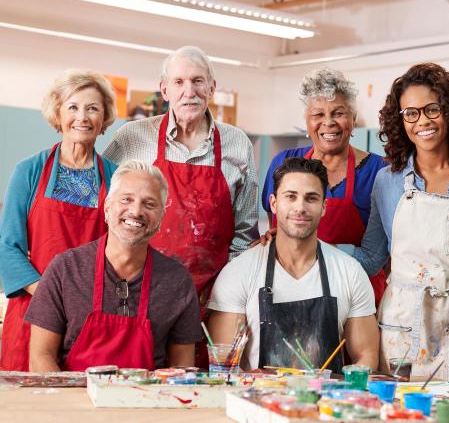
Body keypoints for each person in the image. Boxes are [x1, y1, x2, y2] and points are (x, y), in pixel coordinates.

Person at [347, 63, 449, 382]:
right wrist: (315, 248)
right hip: (400, 331)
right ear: (400, 121)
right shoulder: (387, 182)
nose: (423, 121)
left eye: (432, 109)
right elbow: (373, 257)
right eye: (411, 113)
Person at [103, 46, 259, 364]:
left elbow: (245, 231)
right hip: (142, 289)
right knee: (140, 371)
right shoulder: (132, 138)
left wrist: (225, 290)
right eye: (179, 82)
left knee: (205, 378)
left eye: (198, 81)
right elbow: (106, 206)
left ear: (212, 87)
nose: (190, 91)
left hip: (214, 296)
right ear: (164, 90)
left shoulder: (237, 144)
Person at [25, 160, 202, 371]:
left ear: (161, 217)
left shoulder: (178, 281)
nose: (136, 211)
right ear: (107, 207)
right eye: (126, 199)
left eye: (149, 204)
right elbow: (40, 357)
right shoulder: (65, 269)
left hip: (147, 392)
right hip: (75, 391)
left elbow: (181, 368)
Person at [208, 157, 379, 372]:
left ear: (324, 207)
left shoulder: (350, 272)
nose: (300, 207)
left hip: (327, 393)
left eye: (311, 198)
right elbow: (225, 366)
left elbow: (366, 357)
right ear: (273, 203)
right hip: (257, 392)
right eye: (291, 196)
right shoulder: (239, 273)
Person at [0, 70, 118, 371]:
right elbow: (8, 246)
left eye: (92, 108)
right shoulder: (28, 171)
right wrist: (50, 296)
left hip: (90, 315)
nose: (82, 117)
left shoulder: (116, 177)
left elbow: (120, 251)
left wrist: (79, 304)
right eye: (73, 107)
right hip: (34, 308)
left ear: (104, 117)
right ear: (58, 113)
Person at [262, 68, 388, 306]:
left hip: (355, 295)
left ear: (353, 118)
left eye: (339, 113)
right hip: (291, 291)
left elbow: (379, 256)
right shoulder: (283, 163)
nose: (328, 122)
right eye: (318, 114)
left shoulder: (379, 171)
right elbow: (276, 232)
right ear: (307, 121)